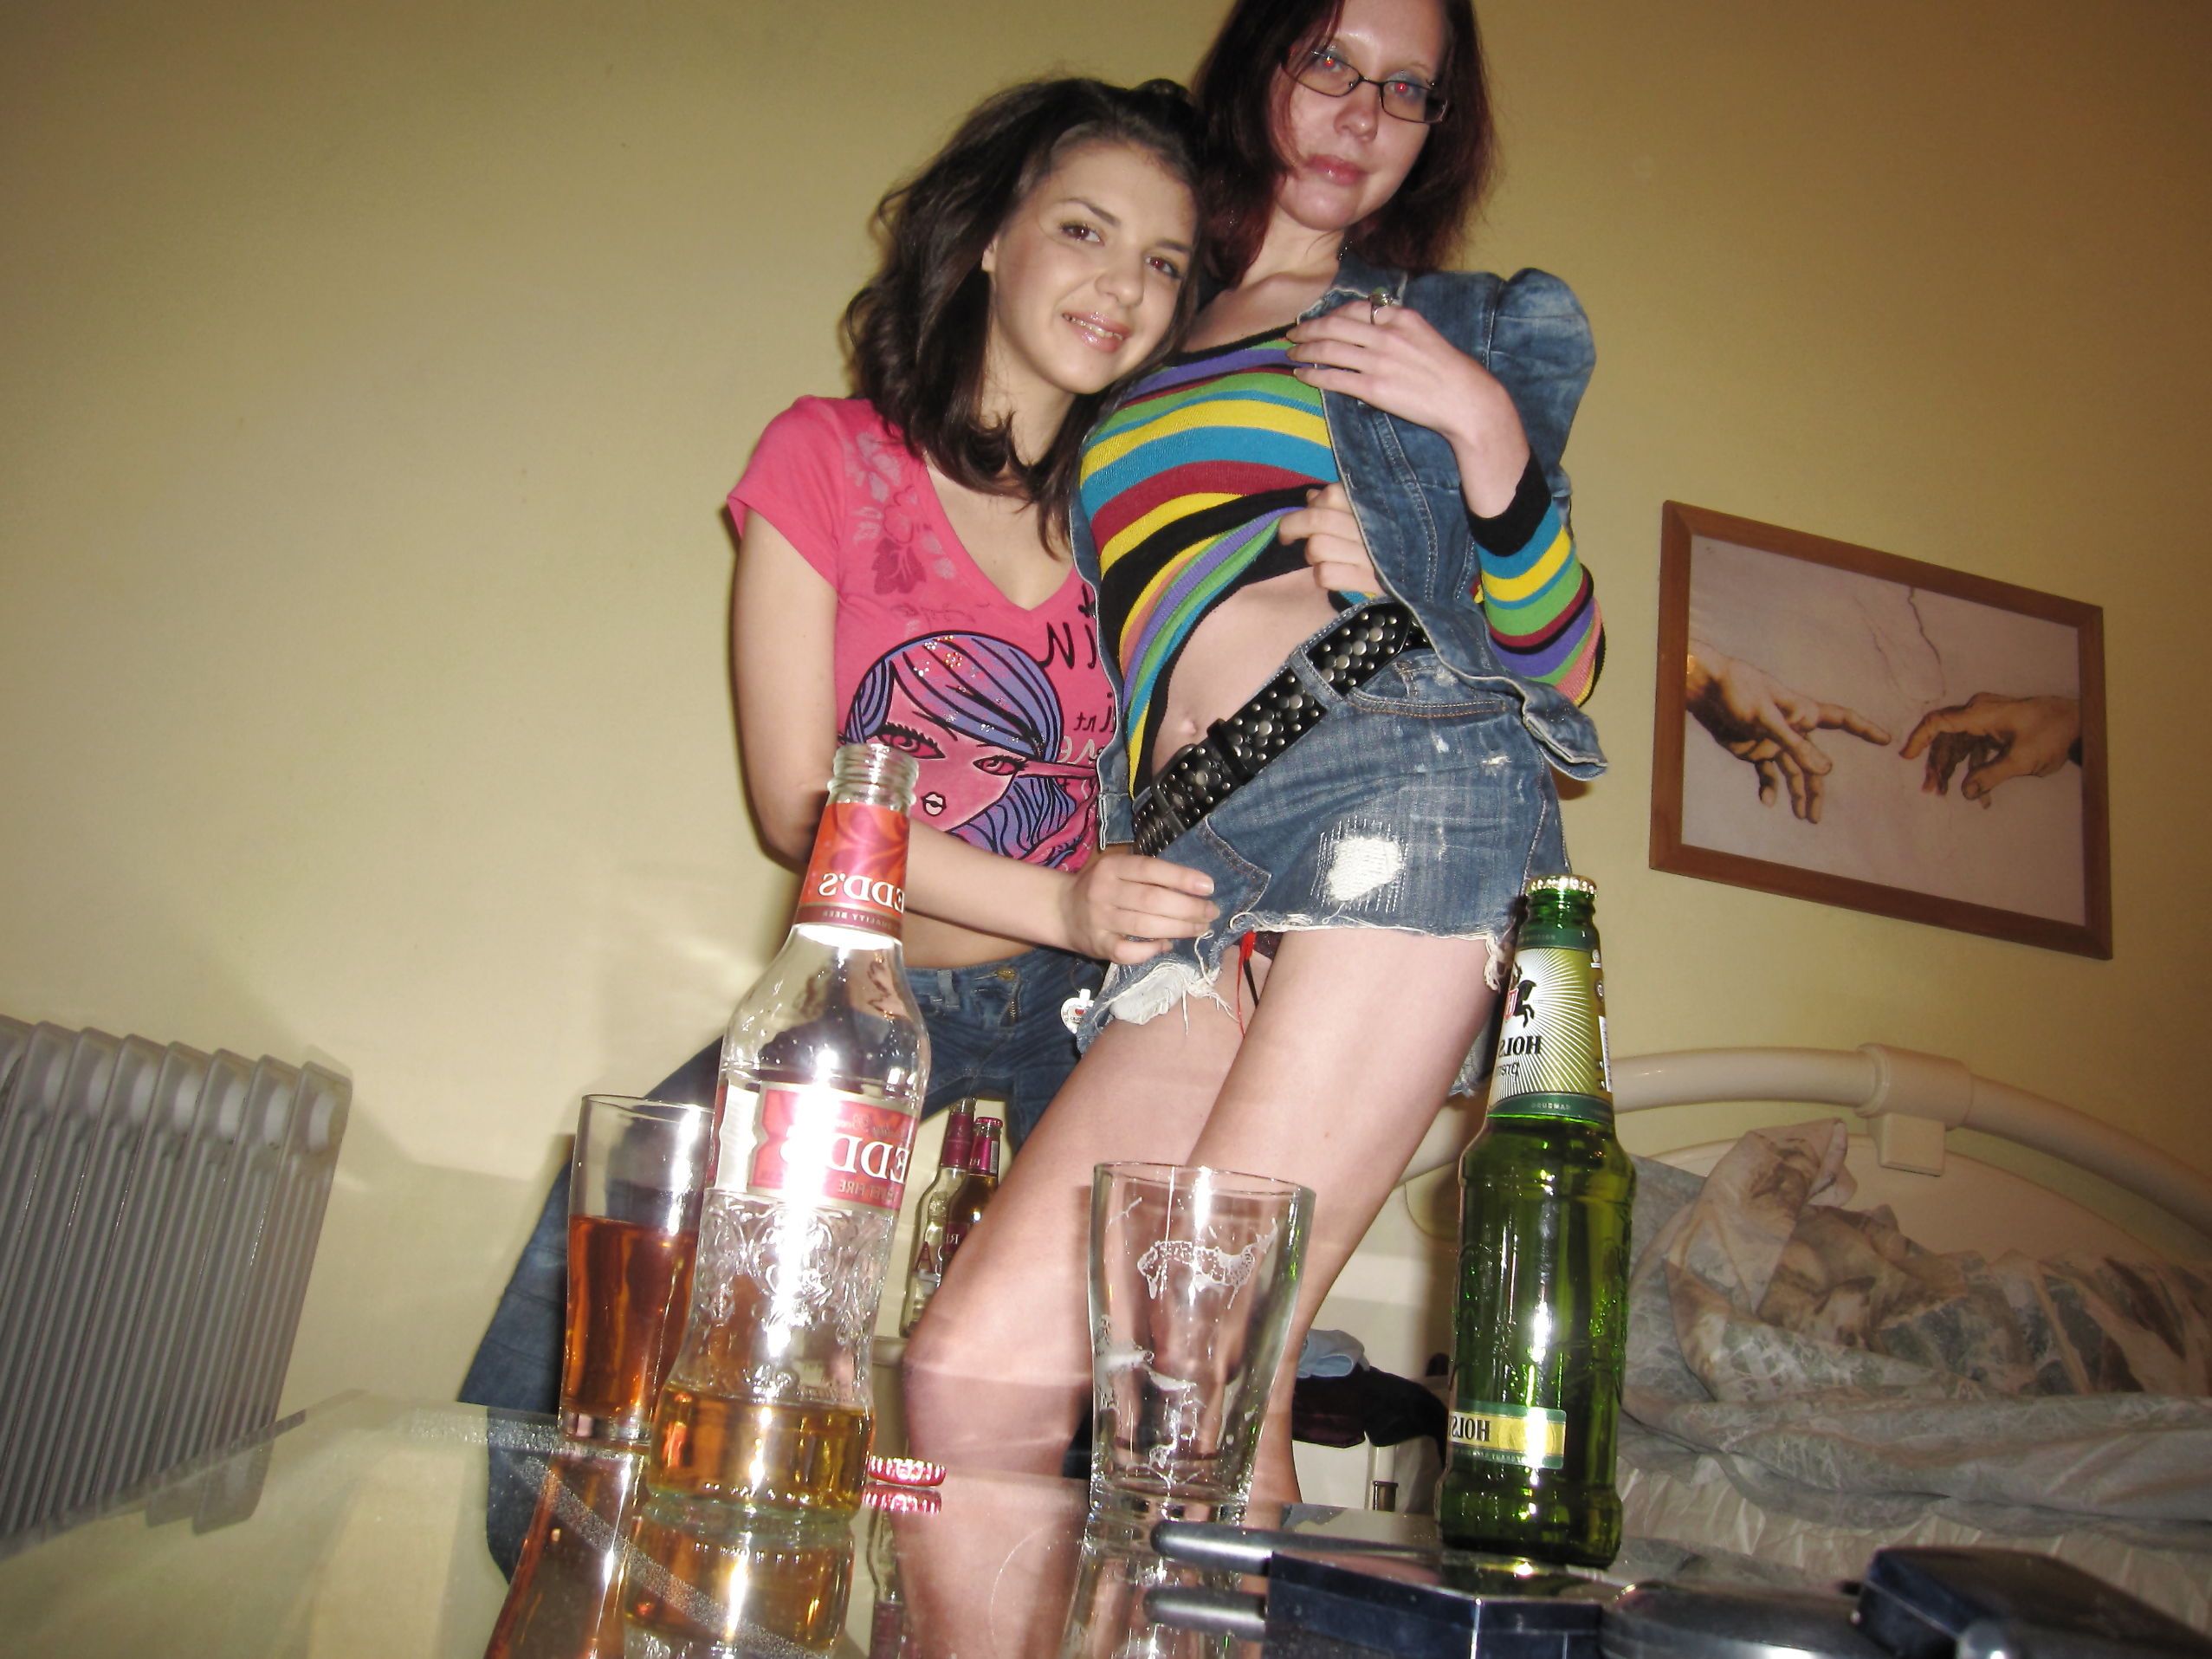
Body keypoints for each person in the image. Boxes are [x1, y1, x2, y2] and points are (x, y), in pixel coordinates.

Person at [458, 79, 1222, 1549]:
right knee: (601, 1268)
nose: (1122, 286)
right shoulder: (830, 457)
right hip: (867, 993)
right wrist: (1060, 901)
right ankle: (556, 1595)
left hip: (1084, 1019)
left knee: (1120, 1389)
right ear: (990, 237)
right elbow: (798, 803)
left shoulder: (1141, 529)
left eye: (1163, 262)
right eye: (1084, 230)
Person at [904, 0, 1607, 1503]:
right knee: (971, 1379)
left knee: (1206, 1375)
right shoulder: (1147, 318)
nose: (1360, 111)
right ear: (1262, 62)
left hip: (1390, 776)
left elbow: (1562, 661)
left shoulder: (1448, 323)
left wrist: (1479, 443)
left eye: (1406, 90)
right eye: (1329, 61)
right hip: (1190, 855)